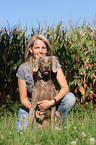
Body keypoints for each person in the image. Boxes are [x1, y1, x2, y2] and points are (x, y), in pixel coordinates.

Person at [15, 34, 76, 130]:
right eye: (37, 48)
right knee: (20, 130)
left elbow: (65, 88)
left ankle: (57, 124)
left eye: (43, 48)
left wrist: (52, 102)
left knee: (70, 98)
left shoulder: (53, 62)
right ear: (31, 49)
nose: (40, 51)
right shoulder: (23, 69)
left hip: (52, 103)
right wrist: (35, 110)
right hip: (31, 105)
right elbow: (23, 98)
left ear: (47, 50)